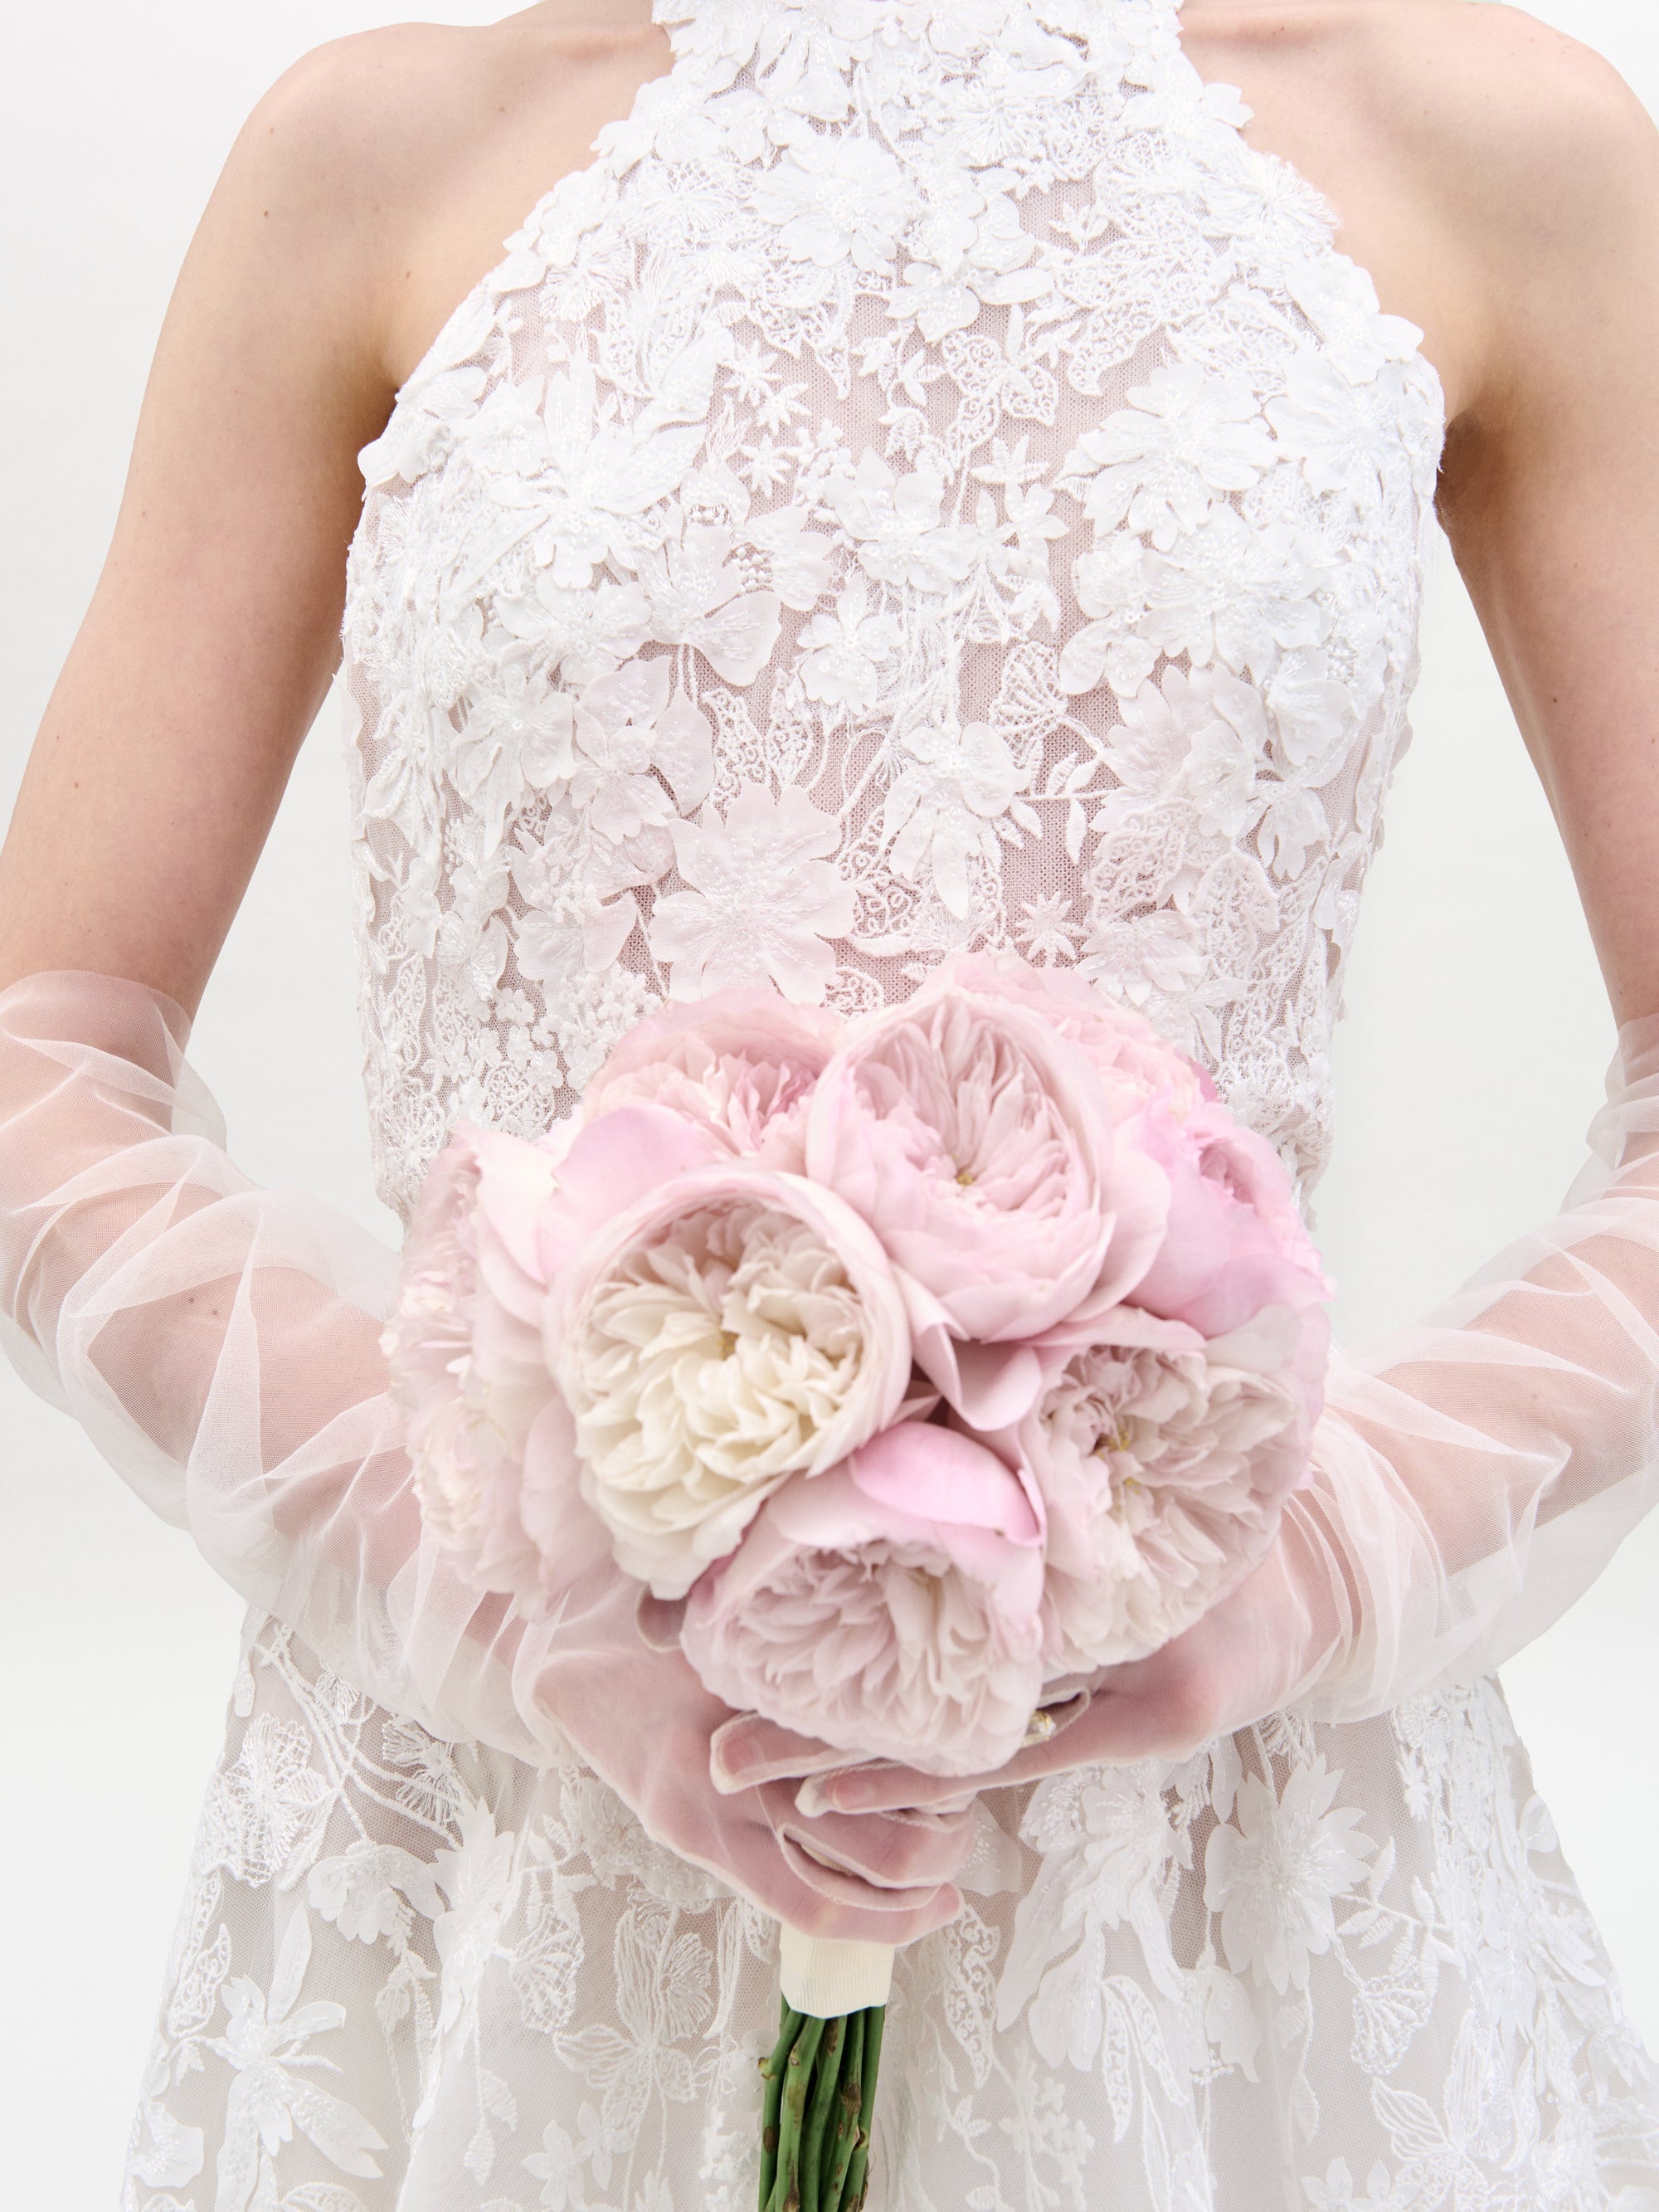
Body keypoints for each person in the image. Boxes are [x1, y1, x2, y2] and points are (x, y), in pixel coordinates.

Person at [3, 0, 1658, 2203]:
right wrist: (499, 1584)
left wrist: (1320, 1558)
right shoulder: (380, 155)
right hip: (518, 1858)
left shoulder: (1492, 144)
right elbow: (41, 1045)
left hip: (1193, 1872)